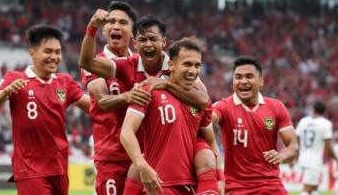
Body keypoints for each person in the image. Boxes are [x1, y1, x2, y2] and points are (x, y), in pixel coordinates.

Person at [80, 15, 222, 194]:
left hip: (172, 150)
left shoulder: (179, 67)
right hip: (135, 150)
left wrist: (165, 83)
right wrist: (92, 28)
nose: (148, 44)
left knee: (205, 155)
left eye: (153, 39)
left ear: (163, 42)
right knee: (136, 170)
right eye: (143, 39)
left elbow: (203, 101)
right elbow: (86, 63)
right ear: (135, 44)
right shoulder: (128, 66)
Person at [0, 25, 89, 195]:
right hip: (30, 170)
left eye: (58, 52)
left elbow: (95, 108)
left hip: (60, 169)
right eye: (48, 51)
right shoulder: (15, 78)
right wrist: (6, 92)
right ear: (32, 52)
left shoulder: (65, 81)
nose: (54, 57)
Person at [120, 38, 220, 195]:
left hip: (192, 186)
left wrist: (219, 179)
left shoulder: (200, 101)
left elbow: (210, 141)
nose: (193, 71)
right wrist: (142, 165)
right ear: (171, 65)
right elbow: (126, 132)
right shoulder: (149, 89)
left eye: (197, 65)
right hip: (161, 185)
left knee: (207, 154)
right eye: (187, 64)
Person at [81, 1, 151, 195]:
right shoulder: (96, 63)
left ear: (133, 32)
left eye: (123, 22)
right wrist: (128, 96)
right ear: (104, 30)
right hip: (112, 157)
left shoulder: (143, 62)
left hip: (143, 155)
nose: (116, 26)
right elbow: (102, 102)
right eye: (110, 22)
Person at [212, 55, 298, 194]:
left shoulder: (276, 107)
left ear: (261, 81)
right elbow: (207, 119)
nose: (243, 81)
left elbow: (293, 146)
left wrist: (282, 156)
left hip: (271, 185)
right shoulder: (224, 106)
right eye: (238, 77)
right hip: (236, 188)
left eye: (249, 76)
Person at [296, 100, 337, 195]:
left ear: (313, 110)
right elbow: (328, 147)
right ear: (324, 111)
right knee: (306, 189)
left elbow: (297, 137)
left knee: (314, 188)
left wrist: (297, 153)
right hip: (314, 161)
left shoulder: (303, 121)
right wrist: (336, 158)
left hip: (302, 158)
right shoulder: (325, 123)